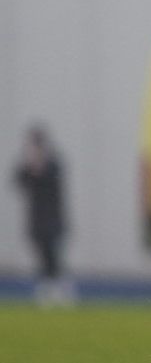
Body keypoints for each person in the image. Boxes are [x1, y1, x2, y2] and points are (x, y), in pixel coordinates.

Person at [12, 124, 73, 306]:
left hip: (53, 218)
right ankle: (48, 289)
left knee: (53, 255)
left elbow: (53, 180)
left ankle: (59, 289)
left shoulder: (53, 163)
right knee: (41, 255)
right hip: (36, 219)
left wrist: (40, 168)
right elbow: (19, 181)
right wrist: (31, 166)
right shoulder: (28, 166)